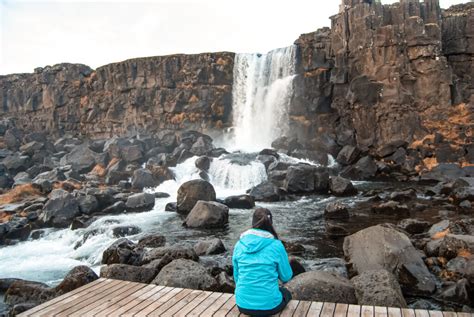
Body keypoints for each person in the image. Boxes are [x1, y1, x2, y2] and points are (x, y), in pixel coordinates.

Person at [232, 208, 293, 316]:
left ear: (253, 223)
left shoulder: (239, 244)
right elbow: (286, 276)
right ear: (271, 223)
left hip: (242, 305)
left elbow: (236, 277)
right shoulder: (277, 245)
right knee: (286, 293)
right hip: (270, 306)